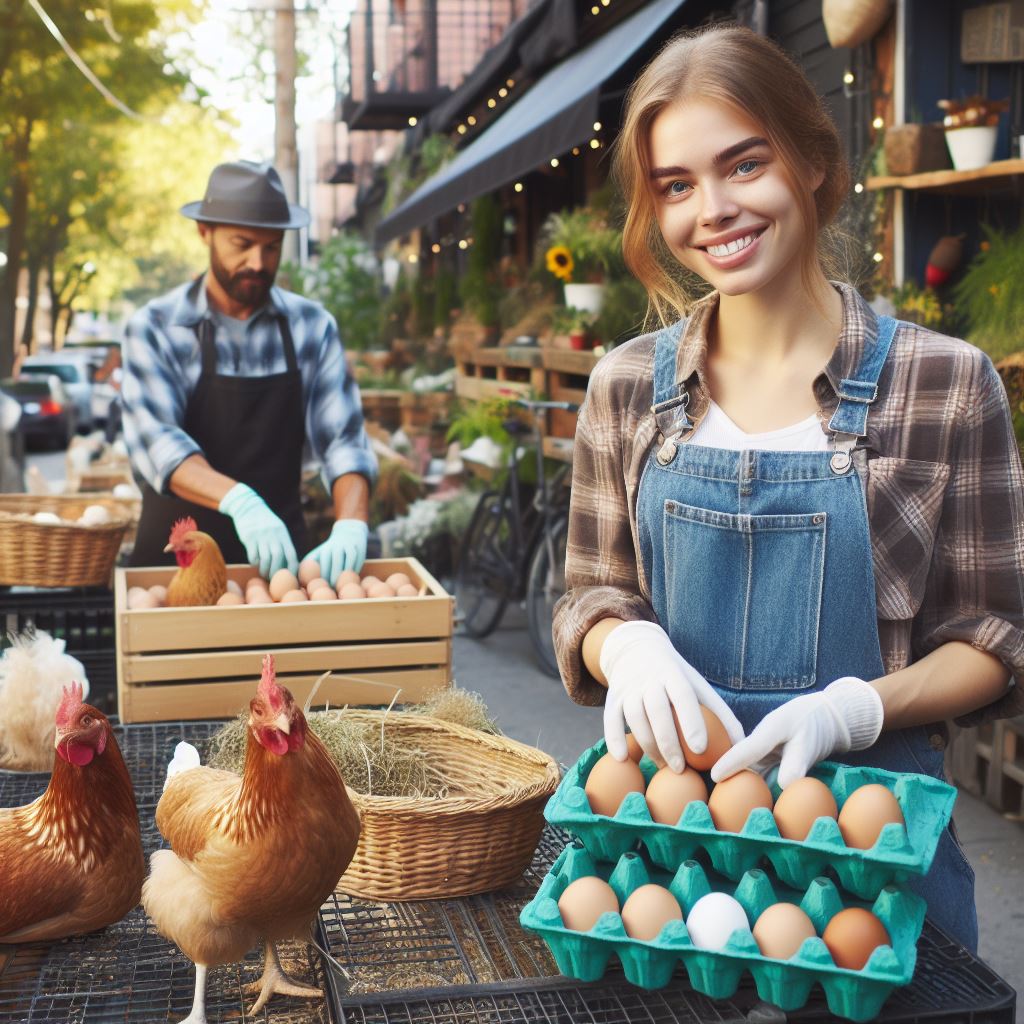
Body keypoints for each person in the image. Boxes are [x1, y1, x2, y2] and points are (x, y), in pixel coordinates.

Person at [553, 25, 1024, 952]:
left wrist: (860, 707)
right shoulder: (624, 387)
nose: (715, 209)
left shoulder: (948, 384)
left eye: (745, 164)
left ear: (812, 158)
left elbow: (996, 639)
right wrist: (627, 644)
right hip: (666, 861)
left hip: (874, 871)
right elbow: (589, 597)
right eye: (676, 186)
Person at [122, 160, 377, 583]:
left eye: (272, 246)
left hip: (278, 568)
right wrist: (242, 502)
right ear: (205, 232)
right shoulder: (156, 328)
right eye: (242, 243)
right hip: (175, 572)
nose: (258, 262)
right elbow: (157, 442)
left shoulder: (313, 327)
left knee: (275, 655)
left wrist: (351, 522)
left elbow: (344, 440)